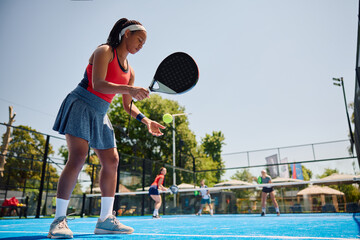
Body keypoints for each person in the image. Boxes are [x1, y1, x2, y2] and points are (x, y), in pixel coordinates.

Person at [48, 18, 165, 239]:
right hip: (81, 103)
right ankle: (58, 220)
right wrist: (130, 89)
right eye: (139, 39)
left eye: (144, 43)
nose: (141, 45)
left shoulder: (130, 71)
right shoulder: (104, 51)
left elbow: (126, 105)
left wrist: (146, 120)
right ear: (126, 34)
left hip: (101, 112)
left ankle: (105, 220)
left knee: (112, 160)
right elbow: (98, 83)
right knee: (78, 157)